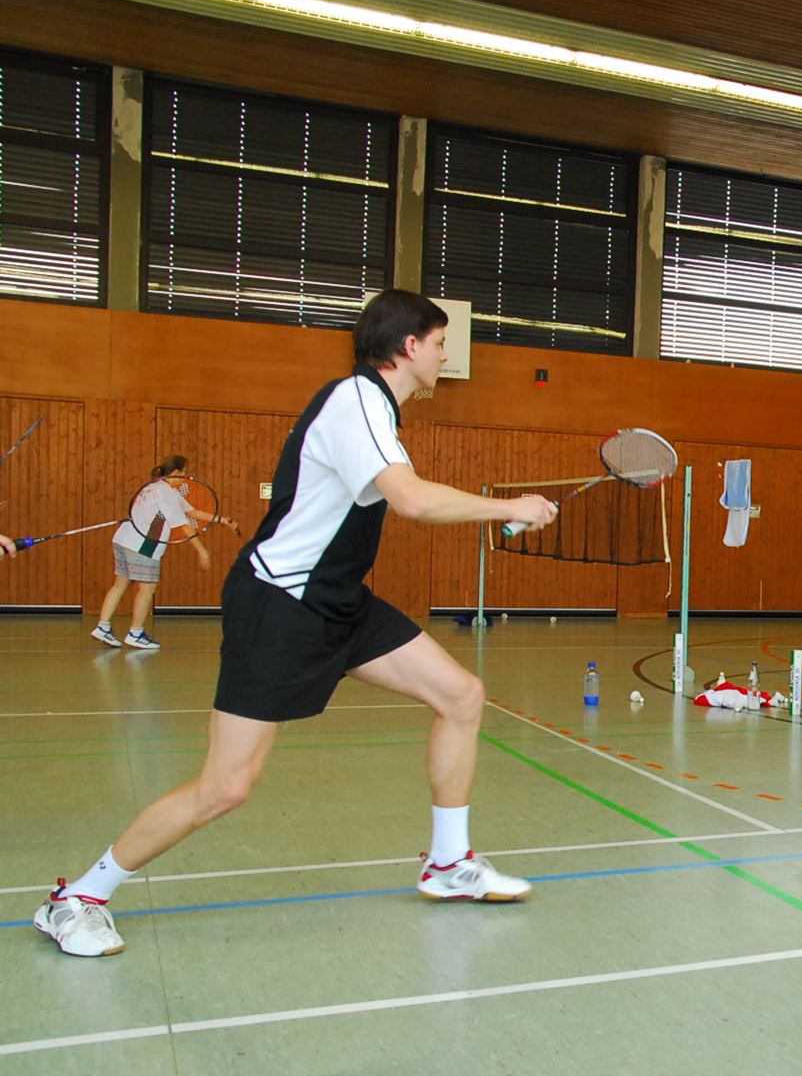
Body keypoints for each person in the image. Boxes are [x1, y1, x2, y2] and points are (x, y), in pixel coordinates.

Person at [31, 290, 558, 957]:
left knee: (461, 695)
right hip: (280, 604)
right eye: (440, 343)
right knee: (226, 786)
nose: (445, 355)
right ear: (409, 346)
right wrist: (509, 505)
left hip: (338, 600)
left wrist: (498, 510)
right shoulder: (356, 400)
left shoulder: (377, 411)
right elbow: (412, 500)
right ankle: (77, 897)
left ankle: (449, 864)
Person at [90, 455, 235, 650]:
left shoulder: (154, 487)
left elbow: (190, 512)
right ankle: (136, 633)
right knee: (147, 589)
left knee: (120, 585)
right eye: (184, 473)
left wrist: (222, 520)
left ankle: (103, 626)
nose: (186, 477)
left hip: (123, 539)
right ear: (176, 473)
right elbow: (184, 525)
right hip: (143, 545)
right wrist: (202, 551)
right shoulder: (167, 494)